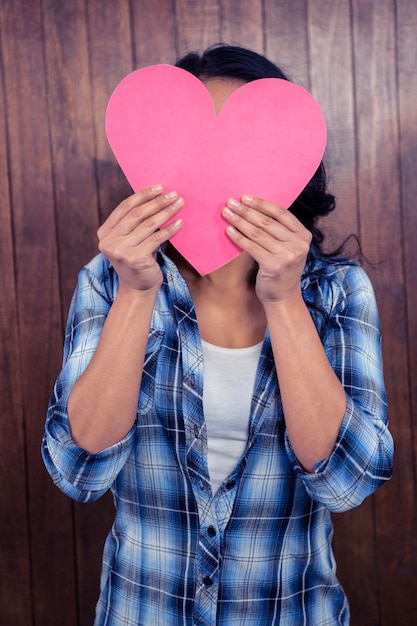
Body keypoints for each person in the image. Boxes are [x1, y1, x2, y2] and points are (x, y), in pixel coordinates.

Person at [42, 45, 393, 625]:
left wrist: (283, 301)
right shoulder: (108, 280)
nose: (215, 174)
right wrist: (135, 293)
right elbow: (79, 472)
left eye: (241, 150)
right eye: (194, 151)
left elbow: (348, 482)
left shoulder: (337, 292)